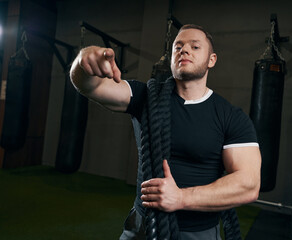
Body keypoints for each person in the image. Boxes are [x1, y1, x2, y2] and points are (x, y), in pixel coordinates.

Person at [70, 24, 261, 240]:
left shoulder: (230, 116)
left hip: (197, 232)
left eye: (195, 46)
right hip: (143, 224)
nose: (184, 50)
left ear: (212, 60)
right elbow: (90, 86)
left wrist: (181, 198)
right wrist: (83, 62)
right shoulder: (145, 97)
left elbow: (249, 184)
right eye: (177, 47)